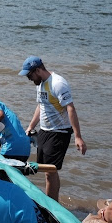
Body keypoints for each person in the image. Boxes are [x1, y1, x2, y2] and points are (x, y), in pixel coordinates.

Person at [19, 55, 87, 201]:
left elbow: (71, 108)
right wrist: (31, 127)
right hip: (45, 131)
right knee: (46, 170)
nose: (29, 78)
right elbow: (41, 106)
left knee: (50, 171)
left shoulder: (58, 83)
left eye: (29, 75)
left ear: (38, 70)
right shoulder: (41, 84)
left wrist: (78, 136)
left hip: (59, 132)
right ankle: (52, 201)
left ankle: (51, 205)